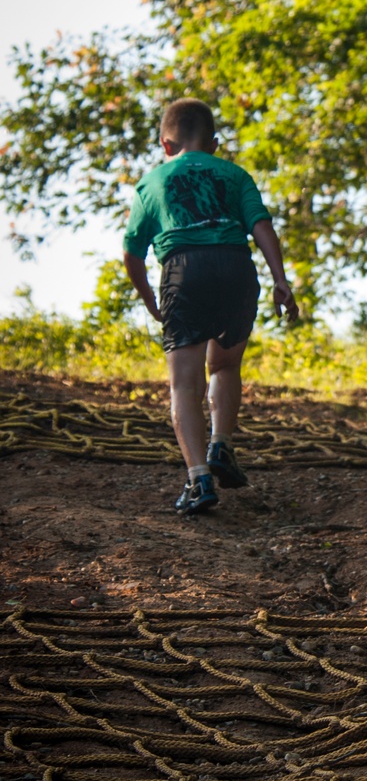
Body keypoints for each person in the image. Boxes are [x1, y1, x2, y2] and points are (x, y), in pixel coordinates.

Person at [122, 97, 298, 514]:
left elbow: (133, 252)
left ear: (165, 143)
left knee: (184, 382)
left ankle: (199, 480)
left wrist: (150, 299)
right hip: (237, 269)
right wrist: (280, 279)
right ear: (215, 143)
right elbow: (261, 225)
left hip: (186, 270)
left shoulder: (153, 182)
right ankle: (221, 445)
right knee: (224, 365)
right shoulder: (235, 174)